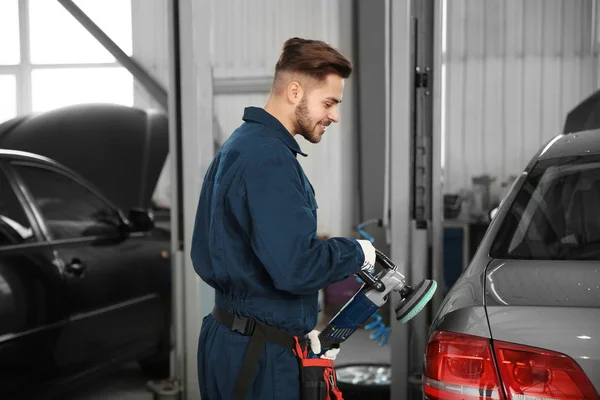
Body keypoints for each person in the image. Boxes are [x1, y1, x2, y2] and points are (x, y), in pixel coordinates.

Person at [191, 37, 376, 400]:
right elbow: (296, 267)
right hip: (258, 355)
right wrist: (357, 253)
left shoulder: (242, 144)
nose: (335, 115)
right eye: (329, 102)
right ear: (295, 92)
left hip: (237, 336)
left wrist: (296, 327)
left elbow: (256, 255)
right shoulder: (269, 159)